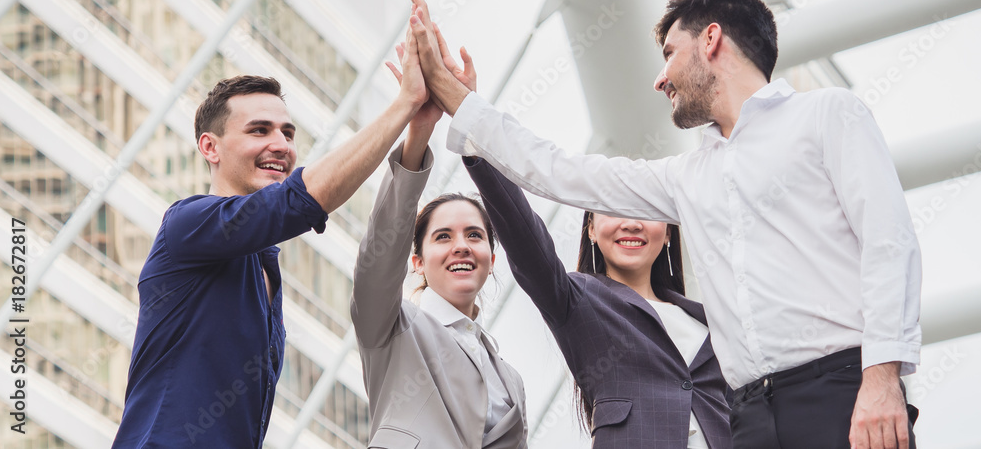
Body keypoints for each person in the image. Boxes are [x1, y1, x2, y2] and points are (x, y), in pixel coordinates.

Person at [402, 0, 921, 449]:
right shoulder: (685, 178)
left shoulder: (827, 116)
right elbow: (559, 170)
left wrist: (880, 378)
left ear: (711, 39)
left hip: (842, 393)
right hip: (751, 424)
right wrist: (458, 100)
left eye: (670, 53)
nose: (659, 79)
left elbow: (888, 243)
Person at [113, 68, 431, 447]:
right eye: (259, 130)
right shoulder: (186, 224)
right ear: (210, 147)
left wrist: (420, 127)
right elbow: (301, 200)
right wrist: (405, 104)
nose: (281, 145)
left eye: (288, 133)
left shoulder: (263, 261)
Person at [464, 155, 731, 448]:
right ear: (590, 228)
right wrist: (479, 143)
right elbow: (524, 237)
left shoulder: (712, 320)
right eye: (613, 208)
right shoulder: (577, 299)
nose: (631, 223)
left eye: (647, 209)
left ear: (668, 230)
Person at [350, 29, 527, 448]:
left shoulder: (511, 379)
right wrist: (419, 132)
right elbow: (378, 261)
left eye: (474, 235)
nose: (461, 245)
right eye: (442, 237)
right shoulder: (391, 328)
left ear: (491, 256)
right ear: (416, 261)